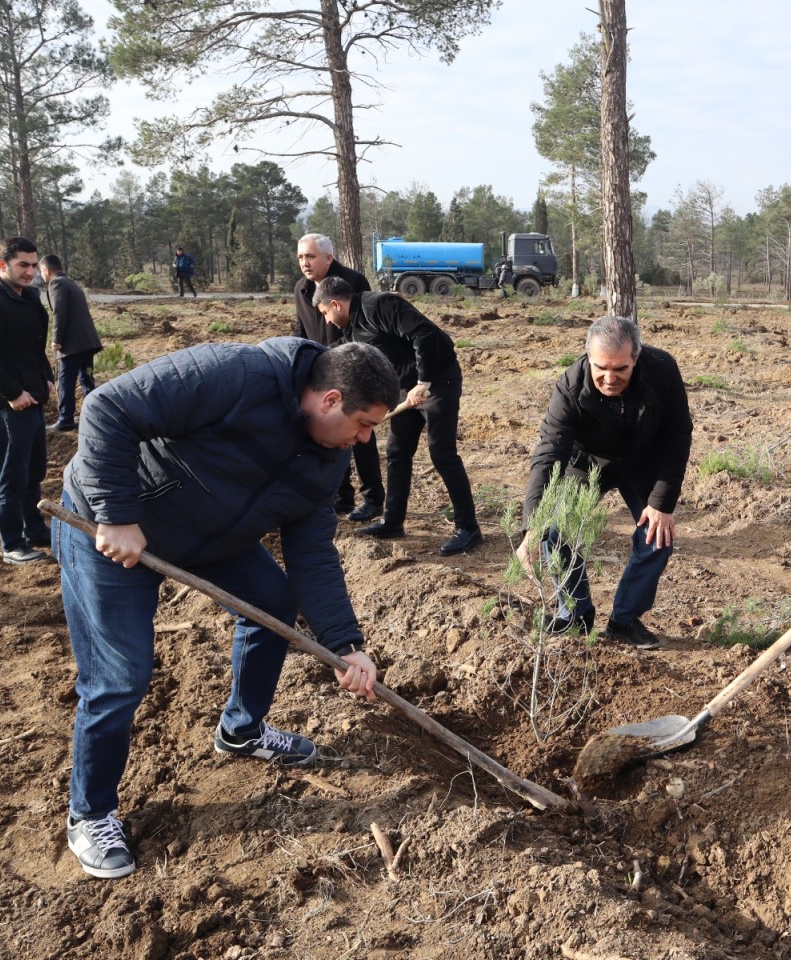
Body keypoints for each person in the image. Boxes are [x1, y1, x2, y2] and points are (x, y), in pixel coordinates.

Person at [52, 336, 400, 879]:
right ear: (330, 399)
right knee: (120, 677)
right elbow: (107, 407)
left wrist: (346, 646)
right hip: (109, 527)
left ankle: (242, 728)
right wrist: (116, 513)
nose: (364, 439)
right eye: (364, 424)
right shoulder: (239, 374)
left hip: (213, 540)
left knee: (273, 604)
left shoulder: (328, 459)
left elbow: (311, 553)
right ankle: (90, 813)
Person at [516, 315, 693, 649]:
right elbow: (548, 454)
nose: (609, 378)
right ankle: (575, 615)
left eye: (620, 369)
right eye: (600, 368)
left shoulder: (662, 369)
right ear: (588, 356)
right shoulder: (570, 385)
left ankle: (624, 621)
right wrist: (532, 526)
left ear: (636, 357)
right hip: (589, 463)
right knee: (556, 531)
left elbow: (677, 435)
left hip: (644, 459)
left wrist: (661, 503)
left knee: (657, 537)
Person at [312, 278, 482, 556]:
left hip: (438, 379)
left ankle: (468, 527)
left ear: (335, 303)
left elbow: (424, 334)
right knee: (397, 451)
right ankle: (392, 521)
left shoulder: (380, 305)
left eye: (324, 313)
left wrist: (424, 382)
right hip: (406, 387)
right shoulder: (352, 328)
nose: (327, 321)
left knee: (442, 453)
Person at [0, 237, 54, 565]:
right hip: (8, 406)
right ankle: (12, 544)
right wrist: (13, 393)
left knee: (33, 472)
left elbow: (32, 346)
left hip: (32, 399)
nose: (31, 272)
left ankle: (34, 529)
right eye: (23, 265)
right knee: (12, 476)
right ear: (2, 265)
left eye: (33, 265)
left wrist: (46, 373)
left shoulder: (26, 296)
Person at [294, 233, 383, 521]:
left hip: (352, 369)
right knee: (330, 433)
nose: (305, 263)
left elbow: (361, 328)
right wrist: (298, 355)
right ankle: (341, 495)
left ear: (328, 258)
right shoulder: (300, 289)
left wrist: (328, 354)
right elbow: (300, 327)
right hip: (321, 371)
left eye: (310, 257)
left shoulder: (353, 281)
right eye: (300, 257)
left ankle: (373, 498)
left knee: (361, 434)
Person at [39, 255, 102, 432]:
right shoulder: (70, 282)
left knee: (66, 380)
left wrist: (56, 339)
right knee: (86, 378)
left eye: (40, 272)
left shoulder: (56, 283)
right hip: (87, 342)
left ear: (46, 270)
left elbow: (59, 312)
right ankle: (96, 414)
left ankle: (66, 418)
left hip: (72, 345)